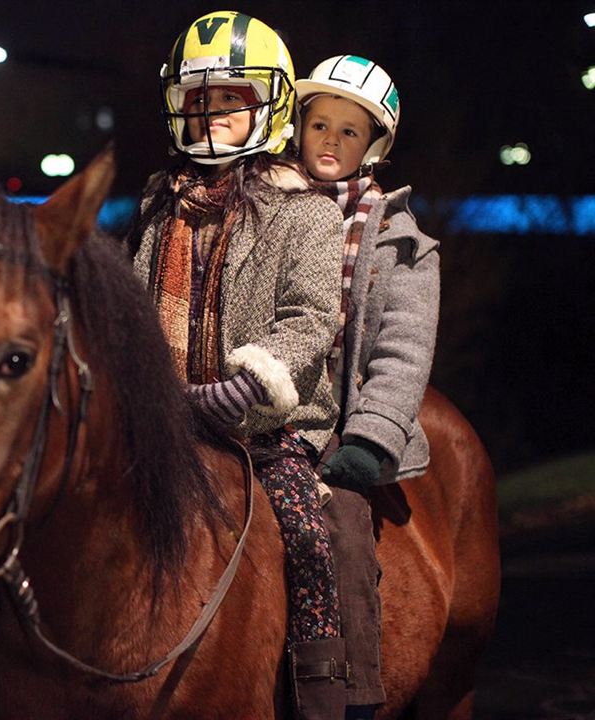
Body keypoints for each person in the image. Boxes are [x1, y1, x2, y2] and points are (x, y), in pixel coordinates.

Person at [127, 11, 348, 719]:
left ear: (269, 105)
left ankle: (322, 679)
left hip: (264, 425)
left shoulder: (305, 212)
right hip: (167, 419)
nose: (213, 116)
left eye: (231, 100)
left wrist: (250, 382)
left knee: (307, 533)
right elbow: (134, 309)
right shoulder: (159, 204)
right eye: (200, 102)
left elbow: (312, 316)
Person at [294, 55, 441, 717]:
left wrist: (370, 440)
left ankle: (351, 691)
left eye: (349, 132)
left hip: (338, 431)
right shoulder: (275, 216)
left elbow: (403, 353)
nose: (330, 140)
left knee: (345, 529)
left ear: (373, 145)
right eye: (319, 123)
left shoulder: (401, 245)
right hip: (265, 414)